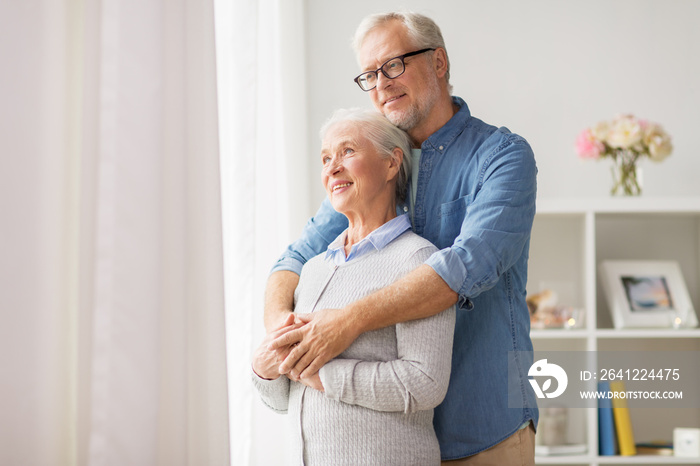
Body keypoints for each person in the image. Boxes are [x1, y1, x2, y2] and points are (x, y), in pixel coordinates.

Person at [265, 11, 539, 465]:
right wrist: (282, 333)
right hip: (395, 437)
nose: (381, 84)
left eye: (393, 65)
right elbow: (294, 260)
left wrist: (347, 322)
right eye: (369, 75)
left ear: (439, 62)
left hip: (486, 424)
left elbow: (461, 269)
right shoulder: (372, 167)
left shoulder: (502, 156)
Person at [252, 108, 456, 466]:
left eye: (347, 152)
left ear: (392, 164)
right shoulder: (313, 270)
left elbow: (425, 382)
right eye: (326, 158)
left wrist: (325, 376)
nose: (332, 168)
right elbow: (285, 398)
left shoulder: (418, 260)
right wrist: (263, 370)